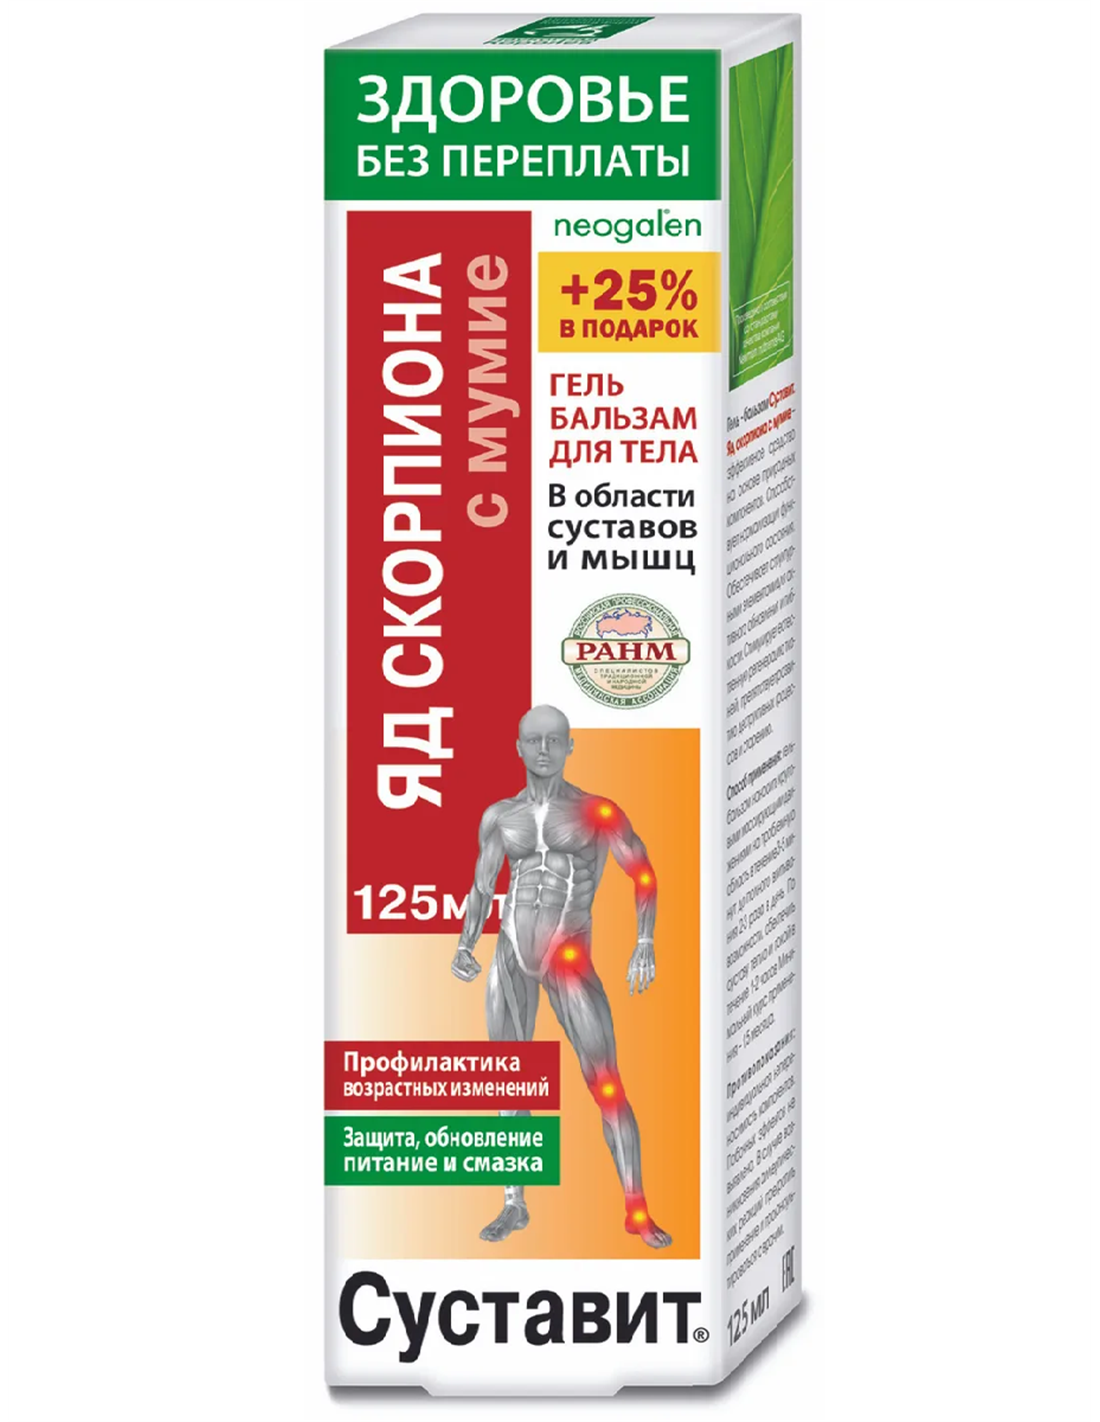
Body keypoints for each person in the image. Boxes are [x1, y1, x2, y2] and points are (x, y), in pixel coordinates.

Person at [451, 704, 670, 1248]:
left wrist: (644, 942)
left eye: (554, 740)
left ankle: (637, 1209)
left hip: (567, 955)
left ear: (571, 746)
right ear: (518, 747)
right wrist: (464, 944)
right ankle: (514, 1203)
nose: (544, 750)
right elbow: (482, 886)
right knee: (509, 1081)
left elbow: (642, 870)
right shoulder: (501, 816)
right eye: (534, 740)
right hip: (510, 953)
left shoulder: (595, 811)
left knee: (605, 1081)